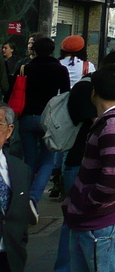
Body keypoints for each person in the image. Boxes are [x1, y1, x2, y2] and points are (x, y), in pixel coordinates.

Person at [49, 50, 115, 272]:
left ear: (94, 92)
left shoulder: (113, 126)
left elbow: (112, 178)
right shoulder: (113, 121)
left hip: (102, 222)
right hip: (94, 221)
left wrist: (87, 202)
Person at [18, 37, 69, 203]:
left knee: (29, 160)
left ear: (35, 50)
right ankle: (33, 198)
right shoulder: (60, 70)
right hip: (49, 119)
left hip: (27, 117)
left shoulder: (25, 68)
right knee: (48, 161)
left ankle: (22, 198)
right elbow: (66, 94)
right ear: (52, 50)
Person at [0, 103, 36, 272]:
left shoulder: (20, 169)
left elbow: (21, 210)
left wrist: (20, 243)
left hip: (9, 256)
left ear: (9, 131)